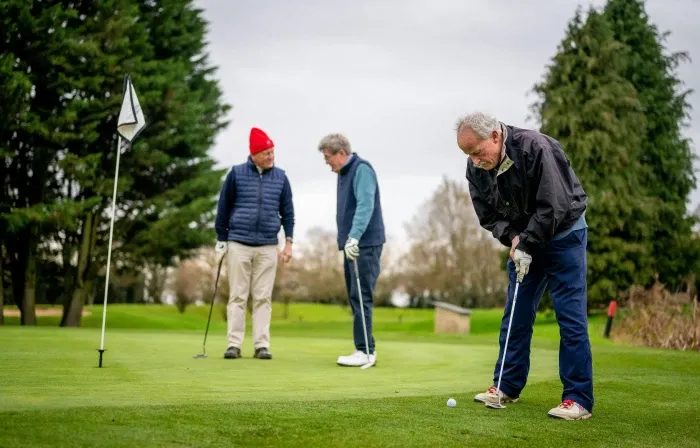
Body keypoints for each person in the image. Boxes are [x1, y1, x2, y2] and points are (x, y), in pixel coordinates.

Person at [455, 111, 593, 420]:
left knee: (570, 317)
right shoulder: (476, 166)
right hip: (525, 242)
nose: (475, 161)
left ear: (495, 136)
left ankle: (578, 399)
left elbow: (554, 205)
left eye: (477, 152)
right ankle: (506, 386)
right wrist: (514, 239)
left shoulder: (535, 147)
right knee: (515, 314)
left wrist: (526, 242)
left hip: (565, 236)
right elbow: (488, 215)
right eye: (468, 155)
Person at [214, 127, 295, 360]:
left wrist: (288, 242)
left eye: (272, 152)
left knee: (263, 297)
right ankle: (234, 344)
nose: (271, 157)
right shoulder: (236, 173)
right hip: (239, 243)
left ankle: (262, 345)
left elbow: (288, 212)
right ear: (254, 154)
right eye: (266, 153)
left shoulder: (281, 177)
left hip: (268, 245)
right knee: (238, 295)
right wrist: (221, 238)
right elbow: (223, 207)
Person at [318, 133, 385, 367]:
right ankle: (362, 348)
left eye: (328, 157)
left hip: (364, 243)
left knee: (361, 295)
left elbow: (365, 205)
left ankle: (366, 351)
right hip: (353, 244)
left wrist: (354, 237)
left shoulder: (361, 170)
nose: (327, 162)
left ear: (341, 153)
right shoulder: (343, 173)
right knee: (355, 296)